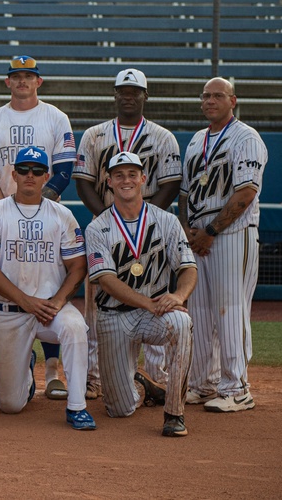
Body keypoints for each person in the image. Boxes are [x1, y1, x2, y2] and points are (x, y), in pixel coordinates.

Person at [73, 68, 182, 400]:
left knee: (158, 299)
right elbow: (83, 181)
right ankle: (95, 377)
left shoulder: (164, 137)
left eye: (135, 91)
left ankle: (157, 378)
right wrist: (110, 217)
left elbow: (171, 183)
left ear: (145, 96)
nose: (129, 96)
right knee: (99, 305)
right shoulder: (94, 135)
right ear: (115, 94)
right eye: (123, 90)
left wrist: (147, 219)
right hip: (107, 230)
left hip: (153, 233)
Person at [0, 56, 76, 400]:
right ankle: (7, 368)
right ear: (7, 82)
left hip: (46, 215)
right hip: (1, 215)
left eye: (28, 76)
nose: (22, 81)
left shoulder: (55, 117)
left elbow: (62, 170)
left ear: (38, 82)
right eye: (16, 76)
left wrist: (33, 201)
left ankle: (53, 371)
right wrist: (6, 205)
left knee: (48, 287)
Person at [0, 146, 95, 430]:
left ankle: (77, 407)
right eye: (25, 170)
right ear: (14, 174)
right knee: (10, 405)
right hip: (8, 310)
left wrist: (58, 300)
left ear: (47, 176)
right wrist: (26, 300)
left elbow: (78, 266)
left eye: (38, 170)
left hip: (49, 308)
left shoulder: (62, 215)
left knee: (76, 327)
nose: (31, 175)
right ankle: (25, 371)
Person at [85, 151, 196, 437]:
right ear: (108, 182)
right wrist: (148, 303)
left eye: (132, 174)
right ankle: (141, 385)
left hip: (155, 313)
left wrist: (179, 296)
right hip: (114, 316)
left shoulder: (166, 221)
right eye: (119, 175)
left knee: (181, 322)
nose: (126, 180)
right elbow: (106, 281)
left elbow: (188, 269)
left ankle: (174, 413)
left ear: (144, 179)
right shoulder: (97, 227)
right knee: (119, 409)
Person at [179, 77, 267, 413]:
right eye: (205, 96)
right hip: (199, 237)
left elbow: (245, 194)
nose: (210, 101)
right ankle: (204, 384)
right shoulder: (198, 139)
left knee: (230, 311)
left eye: (218, 95)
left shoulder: (246, 138)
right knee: (200, 313)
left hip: (232, 235)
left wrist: (211, 231)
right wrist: (189, 230)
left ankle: (237, 388)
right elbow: (186, 192)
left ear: (233, 100)